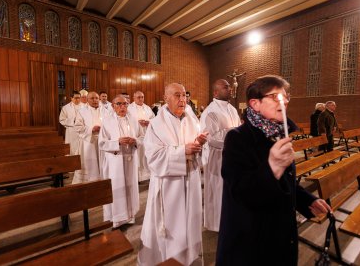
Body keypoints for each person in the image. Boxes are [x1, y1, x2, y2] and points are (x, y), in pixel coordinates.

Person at [216, 75, 331, 265]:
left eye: (285, 96)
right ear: (255, 104)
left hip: (280, 233)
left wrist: (306, 200)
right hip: (252, 240)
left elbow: (286, 181)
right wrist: (272, 168)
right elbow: (240, 192)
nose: (284, 101)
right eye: (275, 96)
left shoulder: (278, 134)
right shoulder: (238, 138)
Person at [138, 83, 208, 266]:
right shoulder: (156, 124)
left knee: (190, 223)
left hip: (191, 181)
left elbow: (201, 153)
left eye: (184, 95)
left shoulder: (193, 120)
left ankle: (189, 257)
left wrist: (199, 144)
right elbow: (153, 158)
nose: (183, 99)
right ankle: (169, 260)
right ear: (166, 98)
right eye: (177, 95)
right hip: (169, 185)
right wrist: (183, 151)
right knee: (171, 229)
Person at [200, 79, 241, 232]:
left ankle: (230, 219)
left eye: (229, 87)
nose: (229, 89)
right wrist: (234, 133)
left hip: (232, 155)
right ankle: (216, 224)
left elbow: (236, 131)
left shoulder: (232, 108)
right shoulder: (210, 111)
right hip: (217, 158)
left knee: (230, 189)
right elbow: (211, 138)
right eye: (226, 87)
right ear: (216, 92)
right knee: (217, 191)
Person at [99, 95, 143, 228]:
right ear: (113, 106)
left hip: (130, 159)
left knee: (130, 186)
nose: (122, 107)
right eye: (119, 104)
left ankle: (130, 216)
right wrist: (117, 142)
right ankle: (117, 219)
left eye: (125, 104)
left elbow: (142, 136)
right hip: (115, 161)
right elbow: (101, 143)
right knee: (117, 188)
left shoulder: (133, 120)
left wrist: (135, 141)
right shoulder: (107, 121)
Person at [73, 91, 102, 184]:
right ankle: (88, 182)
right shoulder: (82, 111)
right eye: (92, 98)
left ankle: (102, 181)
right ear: (87, 100)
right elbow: (78, 127)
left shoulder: (106, 111)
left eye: (97, 98)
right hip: (88, 142)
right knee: (89, 164)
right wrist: (91, 130)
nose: (95, 100)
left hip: (102, 141)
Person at [127, 91, 155, 181]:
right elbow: (126, 120)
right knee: (138, 155)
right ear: (134, 98)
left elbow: (154, 119)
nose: (141, 99)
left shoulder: (147, 108)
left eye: (142, 97)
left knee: (146, 155)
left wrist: (148, 122)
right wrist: (137, 123)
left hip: (147, 135)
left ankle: (146, 175)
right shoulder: (129, 108)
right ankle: (137, 176)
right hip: (135, 135)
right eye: (138, 97)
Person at [59, 90, 81, 155]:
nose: (77, 100)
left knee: (81, 149)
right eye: (76, 98)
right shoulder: (66, 108)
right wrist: (72, 121)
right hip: (71, 131)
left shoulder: (84, 107)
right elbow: (62, 120)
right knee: (71, 149)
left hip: (82, 132)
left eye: (79, 98)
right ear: (71, 98)